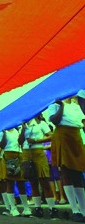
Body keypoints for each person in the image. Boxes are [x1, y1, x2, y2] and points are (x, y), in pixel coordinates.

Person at [49, 94, 85, 222]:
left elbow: (82, 123)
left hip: (75, 137)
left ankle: (83, 210)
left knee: (78, 174)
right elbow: (55, 121)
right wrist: (62, 105)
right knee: (65, 172)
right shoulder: (54, 105)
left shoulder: (78, 106)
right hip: (62, 136)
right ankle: (75, 210)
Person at [19, 115, 60, 219]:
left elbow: (50, 136)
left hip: (38, 152)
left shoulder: (41, 124)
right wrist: (23, 129)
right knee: (32, 182)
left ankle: (52, 209)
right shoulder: (22, 126)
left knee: (44, 181)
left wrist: (36, 141)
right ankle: (38, 209)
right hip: (26, 153)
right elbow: (20, 142)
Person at [0, 127, 31, 217]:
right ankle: (13, 208)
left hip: (18, 155)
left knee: (21, 182)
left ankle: (26, 208)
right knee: (10, 183)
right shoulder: (0, 133)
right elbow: (1, 145)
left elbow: (20, 142)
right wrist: (4, 133)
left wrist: (23, 129)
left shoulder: (16, 130)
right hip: (8, 156)